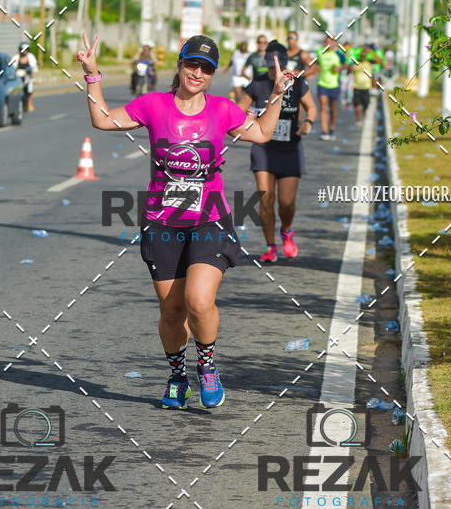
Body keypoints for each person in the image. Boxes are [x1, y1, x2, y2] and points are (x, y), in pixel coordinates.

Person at [77, 32, 294, 411]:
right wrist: (92, 75)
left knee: (198, 299)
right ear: (179, 65)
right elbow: (103, 120)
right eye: (192, 64)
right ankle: (177, 376)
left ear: (212, 75)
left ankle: (207, 367)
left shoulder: (222, 110)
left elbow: (261, 133)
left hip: (210, 218)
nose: (198, 73)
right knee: (172, 311)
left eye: (206, 68)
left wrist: (276, 93)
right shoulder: (153, 105)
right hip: (162, 222)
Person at [239, 41, 316, 262]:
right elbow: (238, 110)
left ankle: (287, 231)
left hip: (290, 149)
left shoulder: (296, 83)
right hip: (263, 149)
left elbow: (311, 106)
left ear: (285, 63)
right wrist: (248, 118)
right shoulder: (258, 84)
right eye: (271, 66)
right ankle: (270, 245)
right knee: (265, 199)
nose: (275, 70)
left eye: (279, 65)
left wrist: (308, 123)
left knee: (286, 202)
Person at [316, 35, 345, 140]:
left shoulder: (338, 54)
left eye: (331, 42)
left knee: (333, 108)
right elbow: (316, 64)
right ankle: (324, 131)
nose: (328, 44)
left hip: (334, 85)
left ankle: (331, 128)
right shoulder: (319, 52)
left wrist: (339, 69)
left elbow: (345, 65)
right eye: (326, 42)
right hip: (322, 84)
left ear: (334, 44)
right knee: (323, 106)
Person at [349, 47, 373, 125]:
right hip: (357, 86)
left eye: (364, 54)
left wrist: (370, 52)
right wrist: (350, 69)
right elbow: (348, 70)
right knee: (357, 104)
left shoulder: (369, 62)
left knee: (366, 103)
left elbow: (380, 61)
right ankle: (358, 118)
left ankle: (365, 112)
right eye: (361, 54)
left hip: (366, 87)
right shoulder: (355, 63)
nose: (362, 55)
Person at [16, 43, 38, 111]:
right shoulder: (16, 57)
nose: (24, 51)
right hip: (18, 77)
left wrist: (32, 74)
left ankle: (29, 103)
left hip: (27, 77)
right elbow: (12, 66)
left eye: (26, 50)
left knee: (30, 88)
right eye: (23, 50)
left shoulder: (31, 57)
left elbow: (34, 68)